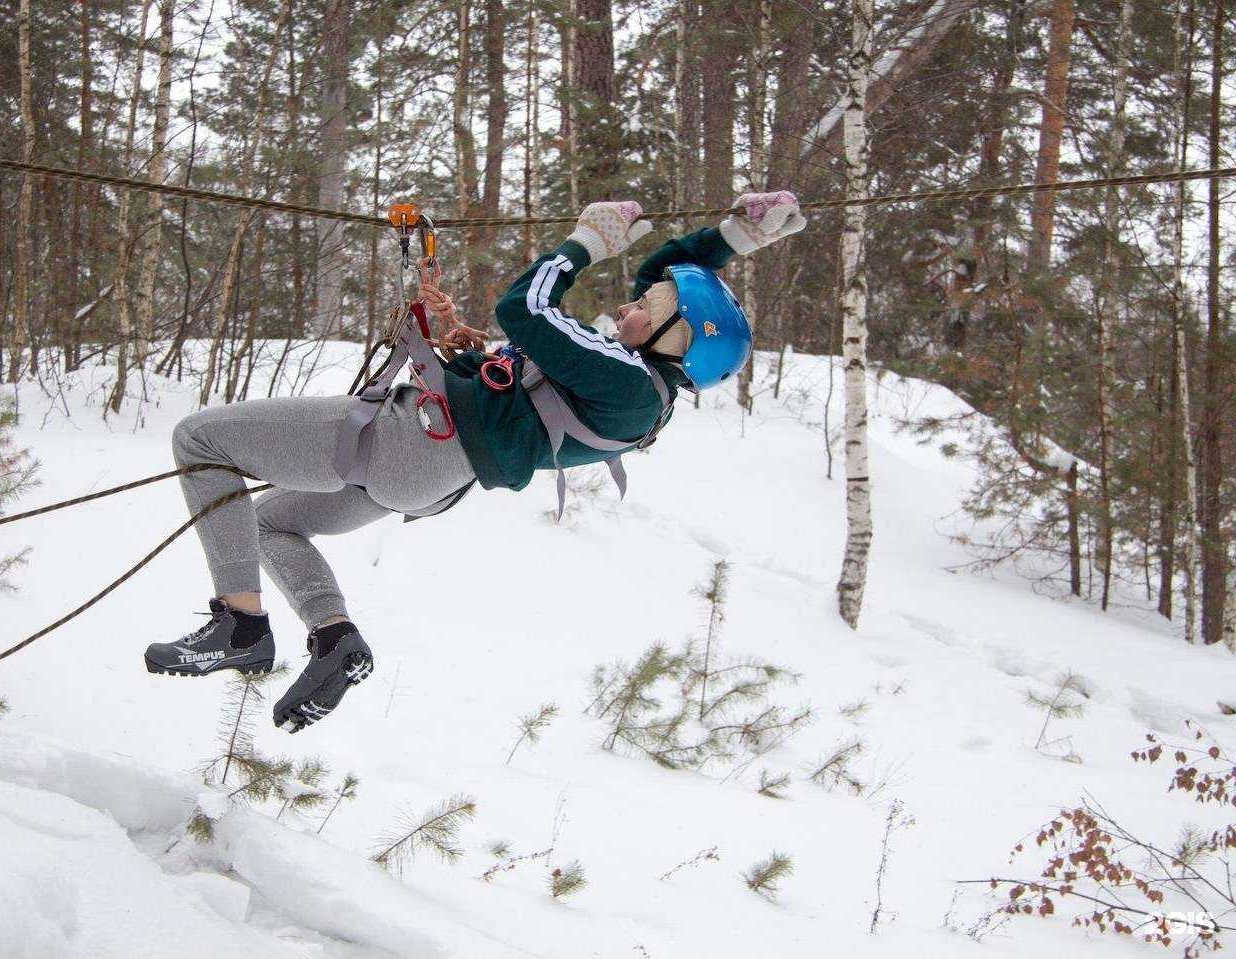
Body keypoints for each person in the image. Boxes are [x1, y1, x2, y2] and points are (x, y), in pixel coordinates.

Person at [143, 192, 807, 733]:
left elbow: (523, 309)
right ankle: (335, 637)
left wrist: (584, 244)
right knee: (269, 524)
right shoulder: (644, 386)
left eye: (650, 310)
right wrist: (731, 237)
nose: (633, 303)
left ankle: (241, 624)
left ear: (678, 337)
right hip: (429, 470)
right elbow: (663, 276)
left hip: (416, 438)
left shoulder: (627, 383)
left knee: (201, 440)